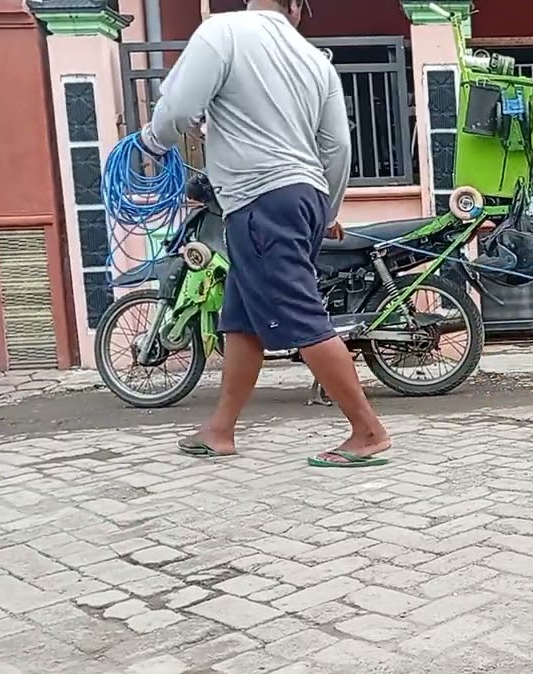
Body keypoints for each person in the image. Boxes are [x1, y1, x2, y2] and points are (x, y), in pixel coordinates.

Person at [140, 0, 392, 468]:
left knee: (301, 318)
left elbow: (178, 107)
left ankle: (368, 431)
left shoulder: (223, 32)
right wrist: (328, 209)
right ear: (295, 5)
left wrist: (154, 142)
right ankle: (220, 430)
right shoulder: (315, 60)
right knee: (242, 319)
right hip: (300, 197)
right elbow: (337, 146)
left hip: (260, 200)